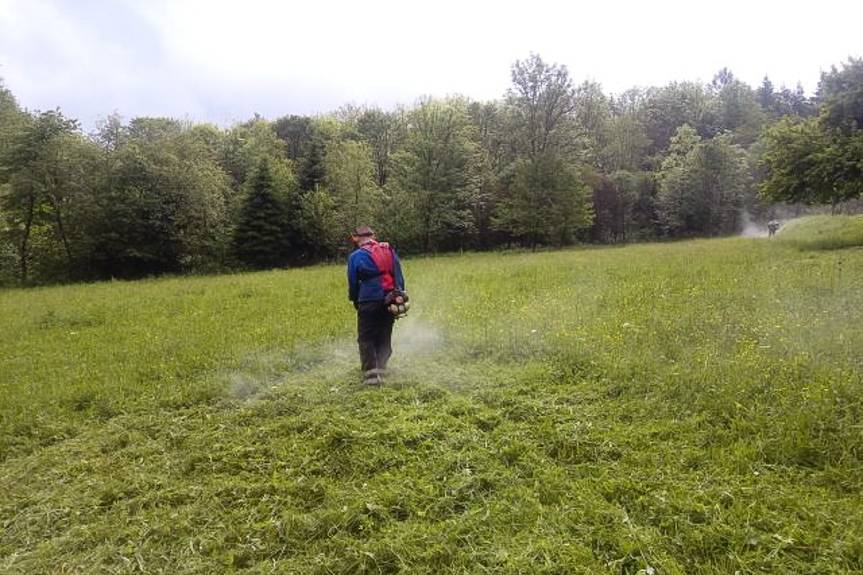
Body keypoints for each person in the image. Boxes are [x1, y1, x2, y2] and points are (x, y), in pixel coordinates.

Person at [347, 226, 406, 385]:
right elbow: (398, 275)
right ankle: (382, 369)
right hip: (390, 298)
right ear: (373, 236)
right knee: (384, 335)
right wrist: (399, 295)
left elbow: (353, 283)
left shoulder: (356, 256)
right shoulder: (389, 250)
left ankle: (372, 376)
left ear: (356, 238)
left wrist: (355, 299)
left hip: (368, 299)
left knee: (366, 338)